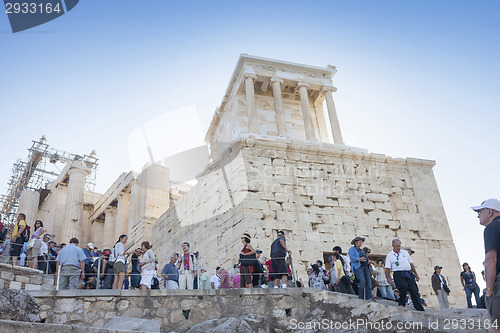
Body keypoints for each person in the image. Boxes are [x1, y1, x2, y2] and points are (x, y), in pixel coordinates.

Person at [385, 238, 424, 311]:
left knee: (414, 289)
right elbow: (387, 268)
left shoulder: (405, 253)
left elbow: (411, 264)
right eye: (396, 246)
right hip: (398, 274)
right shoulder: (390, 255)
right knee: (403, 286)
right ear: (393, 246)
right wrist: (388, 277)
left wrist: (416, 274)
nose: (398, 248)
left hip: (408, 272)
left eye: (399, 246)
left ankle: (419, 307)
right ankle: (402, 302)